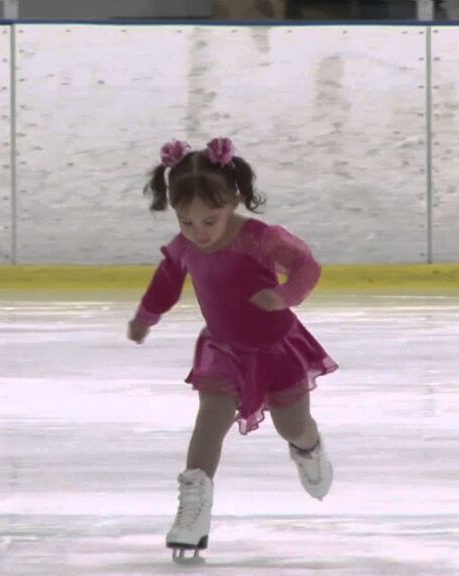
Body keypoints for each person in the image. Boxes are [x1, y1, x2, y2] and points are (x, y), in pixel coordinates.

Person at [127, 137, 338, 559]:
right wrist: (145, 318)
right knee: (210, 421)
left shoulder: (261, 238)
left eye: (210, 220)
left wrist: (283, 297)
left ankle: (309, 446)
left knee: (291, 426)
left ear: (234, 200)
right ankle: (193, 510)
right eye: (187, 221)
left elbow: (306, 266)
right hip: (222, 349)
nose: (198, 232)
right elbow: (167, 282)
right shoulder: (184, 247)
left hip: (276, 348)